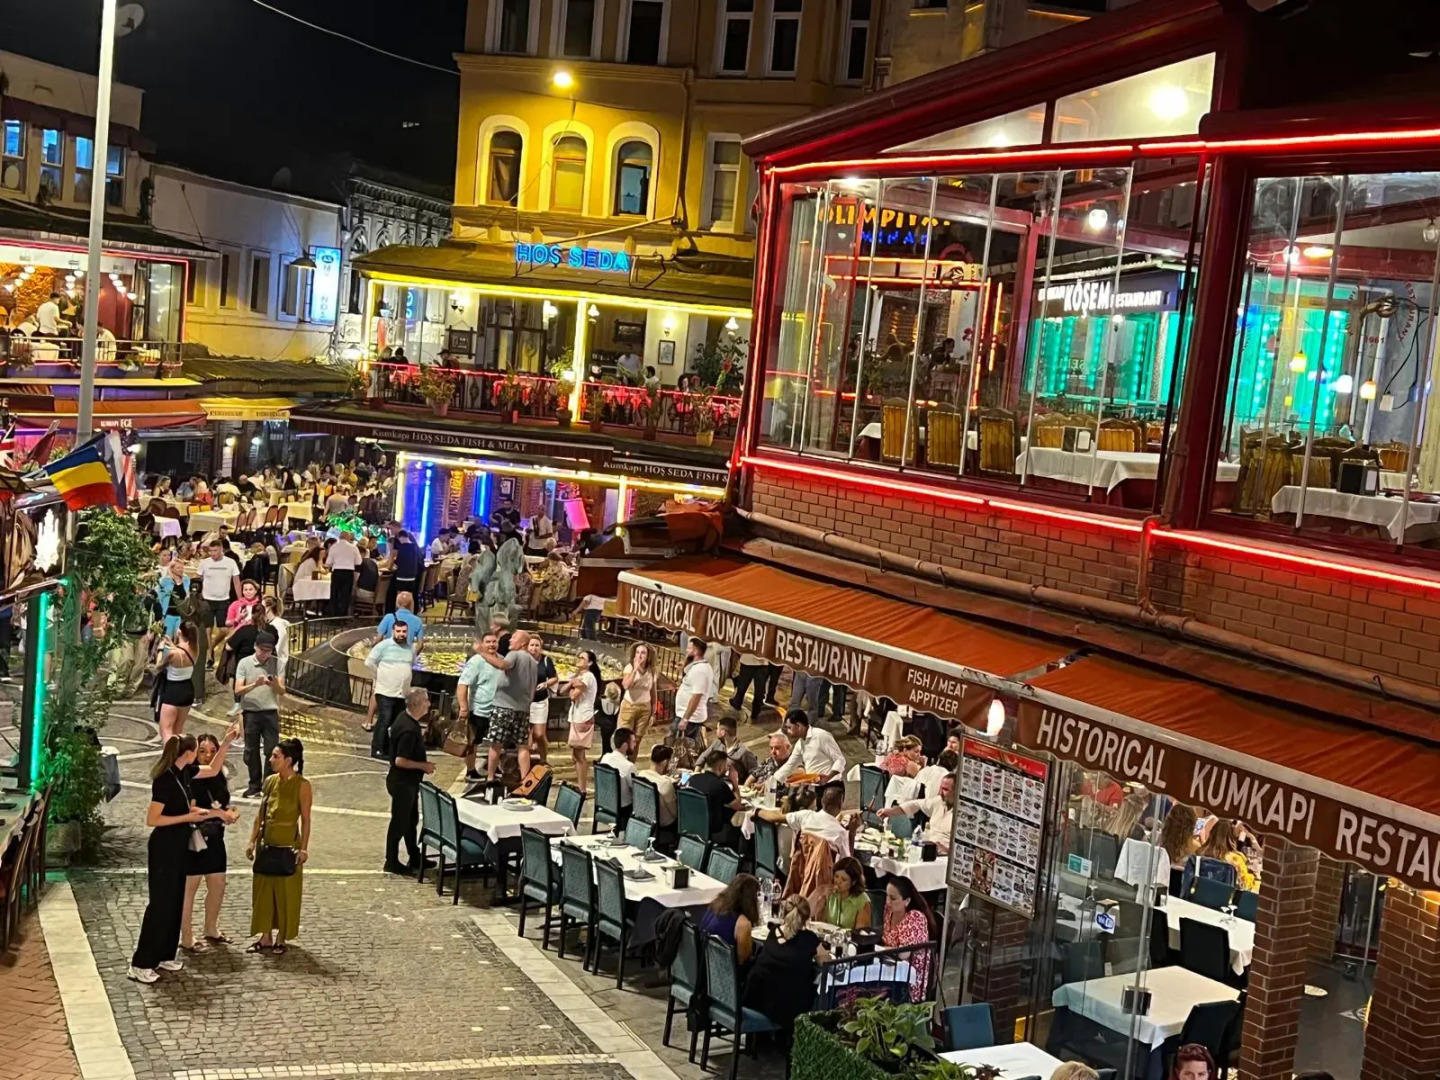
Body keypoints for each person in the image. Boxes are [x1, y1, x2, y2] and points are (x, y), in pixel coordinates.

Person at [129, 734, 230, 983]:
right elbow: (153, 819)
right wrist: (187, 817)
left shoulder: (184, 774)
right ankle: (140, 963)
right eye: (197, 750)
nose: (198, 755)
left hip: (178, 846)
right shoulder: (164, 780)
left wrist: (227, 741)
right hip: (164, 847)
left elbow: (214, 768)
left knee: (174, 902)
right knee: (160, 904)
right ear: (188, 753)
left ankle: (164, 954)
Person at [246, 738, 311, 954]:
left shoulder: (302, 786)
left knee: (285, 893)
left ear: (288, 760)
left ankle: (281, 936)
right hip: (268, 842)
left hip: (287, 845)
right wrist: (252, 840)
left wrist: (303, 849)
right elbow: (261, 814)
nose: (271, 759)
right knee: (264, 890)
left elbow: (306, 819)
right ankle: (265, 936)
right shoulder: (270, 782)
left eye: (276, 756)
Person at [180, 729, 243, 951]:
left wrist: (230, 813)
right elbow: (191, 808)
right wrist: (218, 814)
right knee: (190, 887)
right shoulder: (190, 775)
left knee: (217, 884)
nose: (207, 755)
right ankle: (186, 936)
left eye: (212, 751)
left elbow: (223, 804)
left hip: (216, 837)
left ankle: (211, 927)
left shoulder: (217, 777)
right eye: (203, 751)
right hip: (195, 838)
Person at [742, 895, 831, 1030]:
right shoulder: (809, 939)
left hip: (758, 998)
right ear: (806, 919)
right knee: (818, 993)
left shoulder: (773, 931)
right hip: (786, 1008)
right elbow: (826, 963)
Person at [385, 687, 436, 875]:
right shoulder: (407, 729)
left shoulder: (407, 721)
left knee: (411, 820)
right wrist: (424, 766)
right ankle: (391, 861)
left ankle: (414, 856)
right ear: (416, 704)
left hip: (408, 783)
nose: (429, 704)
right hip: (402, 783)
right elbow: (400, 760)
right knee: (399, 822)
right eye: (426, 701)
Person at [478, 627, 537, 784]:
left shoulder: (515, 654)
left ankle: (490, 778)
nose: (510, 640)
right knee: (522, 746)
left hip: (504, 708)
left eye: (514, 638)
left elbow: (502, 665)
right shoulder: (533, 660)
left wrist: (482, 652)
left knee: (495, 744)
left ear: (523, 643)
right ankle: (526, 782)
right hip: (523, 710)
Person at [759, 783, 855, 859]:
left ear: (822, 801)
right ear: (840, 806)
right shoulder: (841, 833)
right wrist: (852, 833)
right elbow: (847, 863)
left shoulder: (805, 816)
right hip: (823, 879)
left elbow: (774, 817)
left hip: (799, 872)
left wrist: (757, 811)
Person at [365, 620, 416, 760]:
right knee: (384, 719)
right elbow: (369, 662)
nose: (401, 634)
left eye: (404, 631)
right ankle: (377, 749)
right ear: (393, 631)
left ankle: (389, 748)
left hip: (401, 693)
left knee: (396, 722)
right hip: (385, 690)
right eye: (398, 631)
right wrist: (379, 675)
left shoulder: (410, 648)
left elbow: (411, 663)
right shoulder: (383, 646)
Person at [457, 630, 501, 781]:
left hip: (498, 710)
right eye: (488, 642)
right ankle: (470, 771)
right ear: (482, 644)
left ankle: (494, 766)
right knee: (473, 742)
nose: (491, 645)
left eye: (494, 642)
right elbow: (463, 684)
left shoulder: (501, 660)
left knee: (498, 741)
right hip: (479, 709)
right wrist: (463, 707)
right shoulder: (476, 662)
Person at [882, 877, 935, 1001]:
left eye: (893, 898)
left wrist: (881, 950)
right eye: (887, 896)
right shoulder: (889, 911)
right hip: (890, 968)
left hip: (910, 982)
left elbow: (903, 953)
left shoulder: (915, 918)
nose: (888, 902)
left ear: (907, 901)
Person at [881, 774, 956, 851]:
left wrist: (945, 850)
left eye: (945, 789)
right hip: (928, 849)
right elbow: (915, 804)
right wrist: (890, 811)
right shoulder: (938, 801)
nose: (940, 793)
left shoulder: (960, 815)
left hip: (945, 857)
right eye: (940, 788)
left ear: (956, 791)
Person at [773, 710, 847, 787]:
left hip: (832, 784)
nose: (788, 731)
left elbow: (840, 760)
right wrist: (772, 781)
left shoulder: (821, 736)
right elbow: (790, 765)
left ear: (798, 726)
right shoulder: (800, 744)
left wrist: (828, 777)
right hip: (813, 785)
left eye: (789, 727)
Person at [687, 747, 744, 847]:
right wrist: (735, 782)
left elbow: (682, 784)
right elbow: (738, 806)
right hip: (712, 829)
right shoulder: (719, 785)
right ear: (720, 767)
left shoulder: (692, 778)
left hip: (691, 824)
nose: (726, 769)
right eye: (726, 766)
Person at [699, 873, 760, 965]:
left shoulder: (715, 905)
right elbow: (742, 960)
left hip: (706, 965)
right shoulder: (742, 923)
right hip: (727, 972)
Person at [153, 622, 200, 743]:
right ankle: (178, 756)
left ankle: (169, 758)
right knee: (178, 729)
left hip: (172, 691)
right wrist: (172, 644)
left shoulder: (173, 653)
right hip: (187, 689)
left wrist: (160, 649)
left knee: (166, 730)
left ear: (179, 632)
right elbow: (183, 653)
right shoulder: (195, 648)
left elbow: (159, 666)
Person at [197, 538, 241, 658]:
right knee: (207, 629)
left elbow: (236, 582)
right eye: (210, 551)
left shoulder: (231, 562)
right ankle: (209, 655)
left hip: (223, 600)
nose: (212, 553)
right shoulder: (204, 563)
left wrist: (240, 599)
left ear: (221, 550)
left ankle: (211, 647)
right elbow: (198, 580)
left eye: (215, 551)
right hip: (207, 600)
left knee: (224, 630)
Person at [565, 649, 600, 796]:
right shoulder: (580, 676)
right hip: (577, 717)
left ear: (590, 662)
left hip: (582, 717)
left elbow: (573, 695)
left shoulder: (588, 677)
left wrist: (572, 684)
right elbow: (563, 690)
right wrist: (572, 682)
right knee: (576, 755)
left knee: (579, 756)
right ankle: (581, 787)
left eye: (582, 658)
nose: (579, 659)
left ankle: (582, 789)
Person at [1198, 819, 1258, 892]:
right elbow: (1245, 885)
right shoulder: (1235, 859)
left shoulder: (1200, 852)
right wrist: (1253, 876)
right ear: (1231, 837)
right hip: (1224, 897)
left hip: (1199, 892)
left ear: (1212, 832)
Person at [674, 637, 715, 741]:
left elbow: (696, 696)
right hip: (685, 716)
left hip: (690, 719)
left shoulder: (700, 670)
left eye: (689, 648)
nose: (686, 650)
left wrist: (685, 719)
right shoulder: (698, 667)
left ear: (695, 651)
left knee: (677, 745)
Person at [527, 634, 558, 765]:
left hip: (540, 701)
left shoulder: (546, 660)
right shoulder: (523, 659)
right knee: (525, 737)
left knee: (539, 734)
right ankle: (525, 763)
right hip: (525, 702)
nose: (534, 648)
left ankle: (544, 759)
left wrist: (546, 684)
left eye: (536, 645)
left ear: (541, 647)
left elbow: (554, 677)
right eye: (532, 645)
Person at [822, 856, 873, 930]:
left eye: (844, 879)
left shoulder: (862, 901)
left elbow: (861, 934)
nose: (838, 881)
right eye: (836, 876)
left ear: (853, 882)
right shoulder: (830, 893)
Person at [705, 716, 759, 783]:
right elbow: (703, 757)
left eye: (717, 729)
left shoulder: (744, 752)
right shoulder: (717, 743)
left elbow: (756, 771)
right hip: (715, 782)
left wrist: (746, 784)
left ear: (723, 733)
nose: (716, 731)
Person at [599, 726, 637, 818]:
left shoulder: (605, 757)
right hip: (623, 810)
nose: (635, 745)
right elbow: (636, 790)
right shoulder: (628, 766)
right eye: (633, 742)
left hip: (604, 803)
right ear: (625, 745)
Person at [619, 641, 654, 740]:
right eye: (637, 652)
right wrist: (635, 669)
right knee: (624, 738)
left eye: (643, 653)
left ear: (648, 656)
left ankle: (633, 756)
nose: (639, 655)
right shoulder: (629, 668)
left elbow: (653, 691)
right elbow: (626, 685)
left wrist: (653, 712)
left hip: (645, 707)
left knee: (637, 740)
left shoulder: (652, 670)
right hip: (629, 705)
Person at [637, 744, 678, 828]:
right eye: (670, 762)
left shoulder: (641, 774)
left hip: (646, 818)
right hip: (665, 824)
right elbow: (675, 813)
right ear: (664, 762)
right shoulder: (665, 783)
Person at [385, 530, 423, 614]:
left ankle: (398, 615)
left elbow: (390, 565)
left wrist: (391, 566)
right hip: (412, 576)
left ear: (399, 537)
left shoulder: (398, 549)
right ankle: (411, 614)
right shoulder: (415, 547)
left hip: (401, 576)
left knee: (399, 597)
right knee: (410, 596)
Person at [326, 529, 361, 616]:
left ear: (339, 537)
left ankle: (333, 615)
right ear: (348, 538)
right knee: (346, 595)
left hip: (337, 572)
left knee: (335, 594)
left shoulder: (334, 547)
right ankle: (343, 616)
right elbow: (359, 562)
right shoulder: (353, 547)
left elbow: (328, 562)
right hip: (348, 573)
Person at [729, 652, 768, 719]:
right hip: (748, 661)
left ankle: (755, 711)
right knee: (742, 688)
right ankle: (737, 703)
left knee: (759, 691)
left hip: (761, 663)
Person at [354, 539, 380, 609]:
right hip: (374, 592)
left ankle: (348, 614)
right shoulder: (373, 563)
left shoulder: (360, 563)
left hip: (363, 593)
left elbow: (355, 580)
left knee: (347, 590)